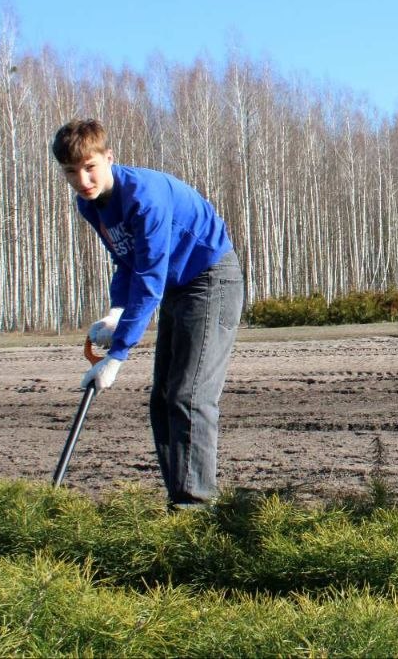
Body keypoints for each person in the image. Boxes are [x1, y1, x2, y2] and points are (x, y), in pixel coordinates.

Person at [51, 119, 243, 509]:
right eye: (71, 172)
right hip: (177, 285)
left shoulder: (144, 197)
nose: (82, 179)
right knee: (163, 398)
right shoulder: (90, 205)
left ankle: (196, 508)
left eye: (90, 167)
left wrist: (118, 356)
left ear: (108, 158)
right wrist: (116, 311)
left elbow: (150, 277)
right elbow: (128, 260)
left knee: (190, 395)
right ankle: (181, 498)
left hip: (211, 279)